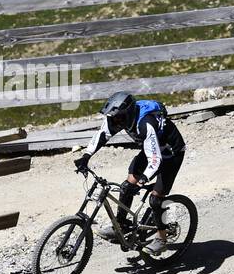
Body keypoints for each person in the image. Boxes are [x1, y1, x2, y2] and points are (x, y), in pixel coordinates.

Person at [74, 91, 186, 256]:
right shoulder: (117, 118)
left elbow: (156, 160)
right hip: (152, 150)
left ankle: (161, 238)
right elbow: (101, 135)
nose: (115, 121)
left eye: (118, 118)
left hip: (171, 154)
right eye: (113, 118)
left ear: (128, 114)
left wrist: (142, 181)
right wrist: (86, 156)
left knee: (156, 199)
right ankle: (120, 226)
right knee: (127, 186)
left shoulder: (145, 124)